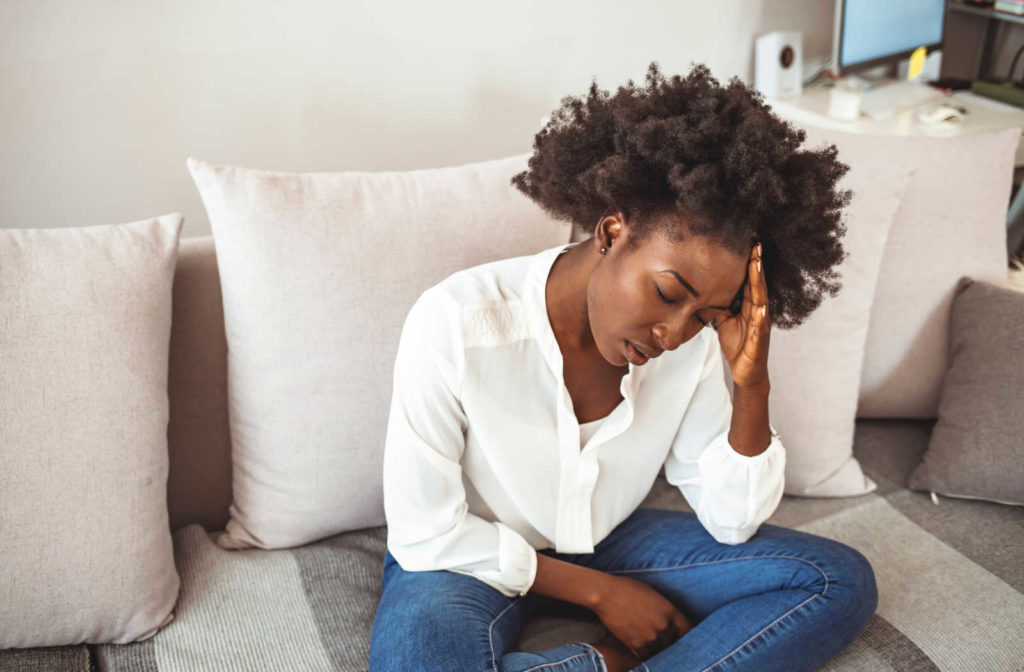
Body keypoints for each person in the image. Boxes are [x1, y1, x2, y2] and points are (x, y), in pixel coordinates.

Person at [368, 61, 878, 672]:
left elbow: (732, 521)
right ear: (612, 231)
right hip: (467, 554)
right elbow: (426, 534)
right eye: (667, 293)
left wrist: (752, 386)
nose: (673, 333)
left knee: (835, 580)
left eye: (706, 314)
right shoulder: (455, 321)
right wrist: (604, 597)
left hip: (608, 540)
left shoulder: (691, 343)